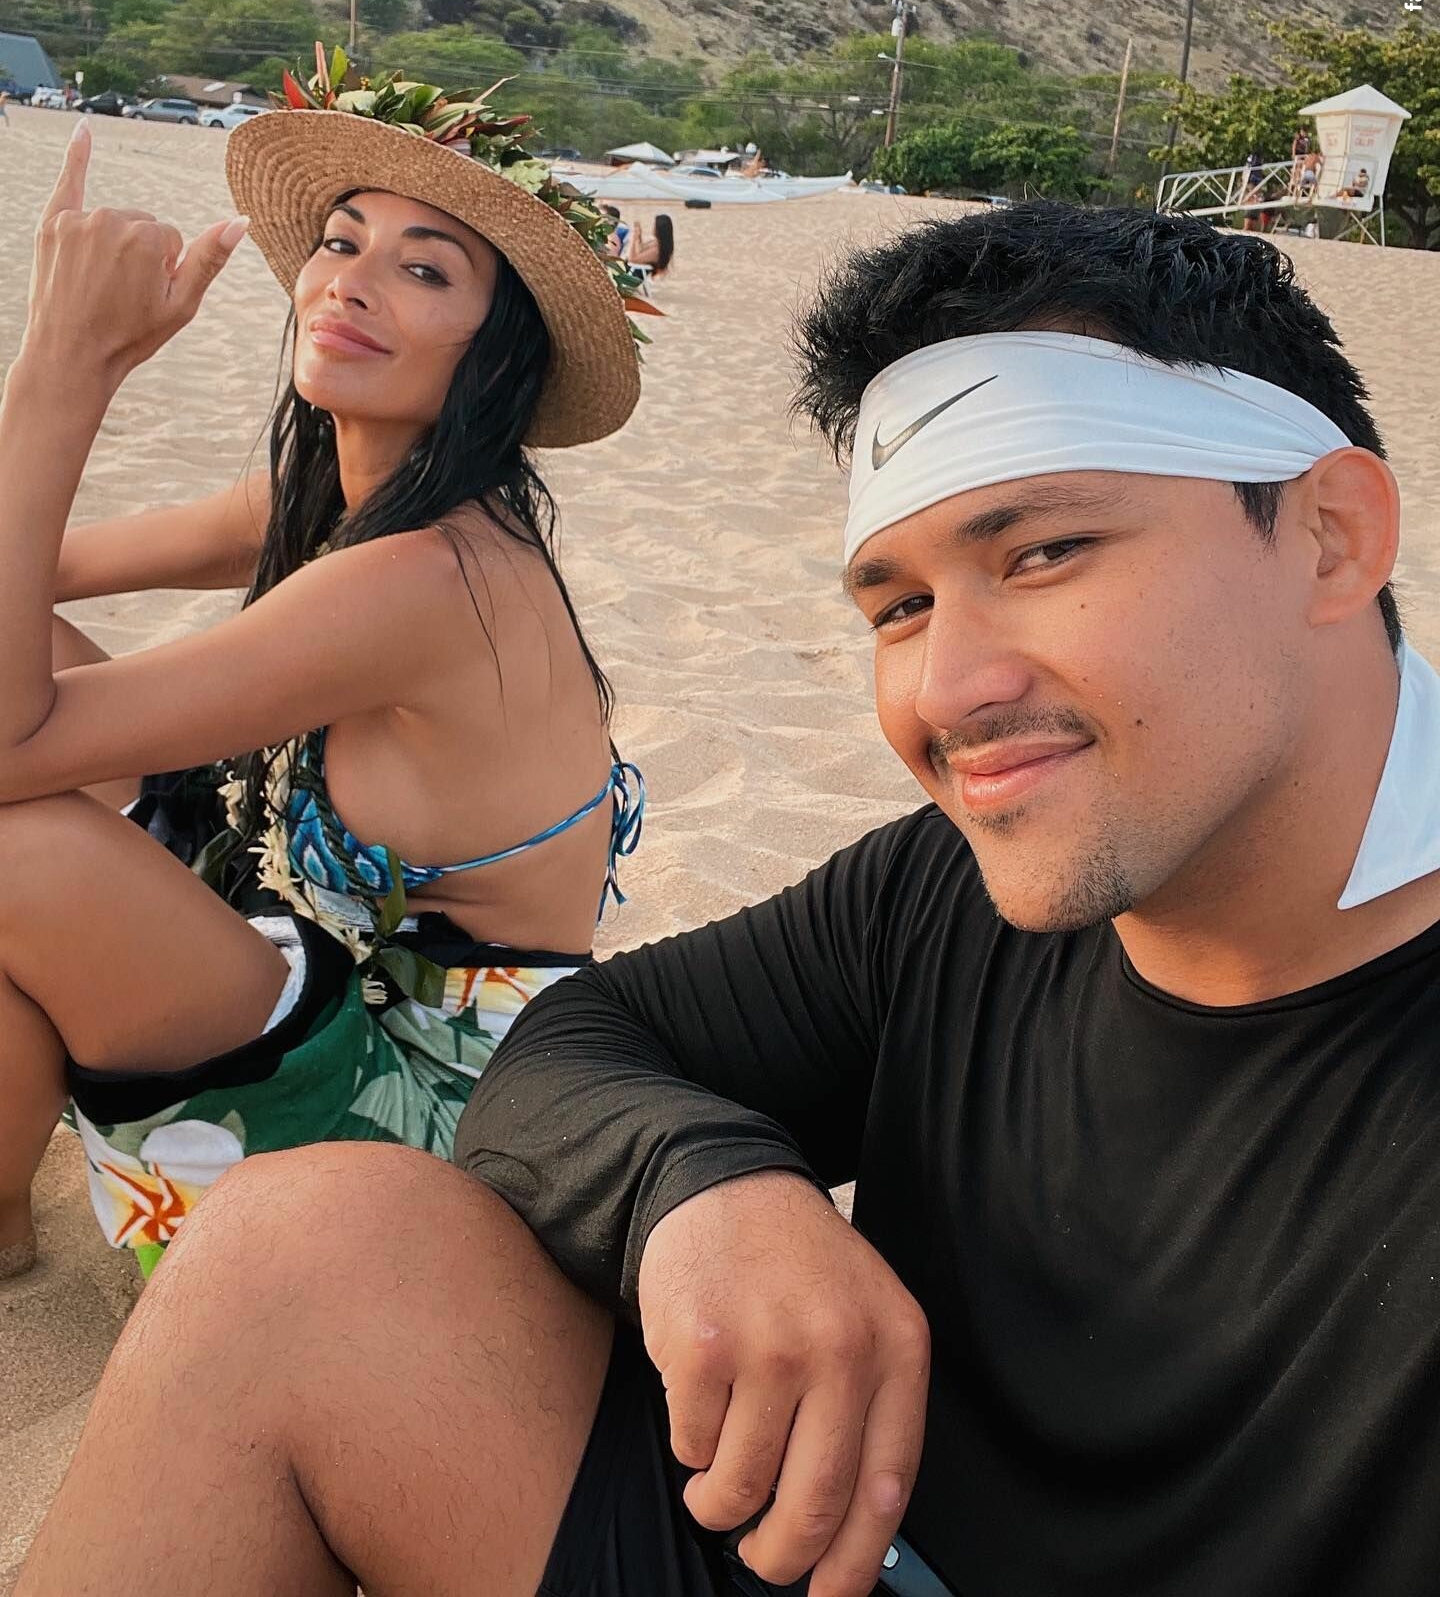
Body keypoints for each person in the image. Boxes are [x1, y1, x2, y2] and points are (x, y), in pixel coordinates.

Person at [22, 203, 1440, 1597]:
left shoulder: (440, 567)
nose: (949, 691)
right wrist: (703, 1184)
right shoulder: (948, 885)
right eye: (899, 607)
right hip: (815, 1540)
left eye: (1044, 554)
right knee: (298, 1247)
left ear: (1331, 536)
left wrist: (63, 368)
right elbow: (578, 1042)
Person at [0, 58, 646, 1280]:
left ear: (497, 353)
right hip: (317, 951)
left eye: (424, 270)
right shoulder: (329, 501)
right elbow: (32, 577)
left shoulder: (429, 579)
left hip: (433, 1102)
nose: (348, 281)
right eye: (342, 242)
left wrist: (65, 369)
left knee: (18, 843)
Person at [627, 211, 675, 275]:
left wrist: (634, 238)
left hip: (634, 274)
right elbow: (640, 250)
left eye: (654, 226)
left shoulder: (656, 250)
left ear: (658, 229)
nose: (652, 228)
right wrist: (638, 236)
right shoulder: (656, 243)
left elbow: (632, 259)